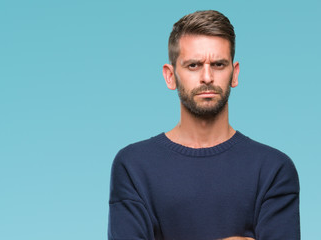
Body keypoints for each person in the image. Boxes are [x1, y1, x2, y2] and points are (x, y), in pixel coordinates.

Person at [108, 10, 300, 240]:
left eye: (218, 64)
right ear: (170, 76)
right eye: (193, 65)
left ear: (234, 74)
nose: (207, 77)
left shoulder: (273, 169)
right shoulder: (133, 166)